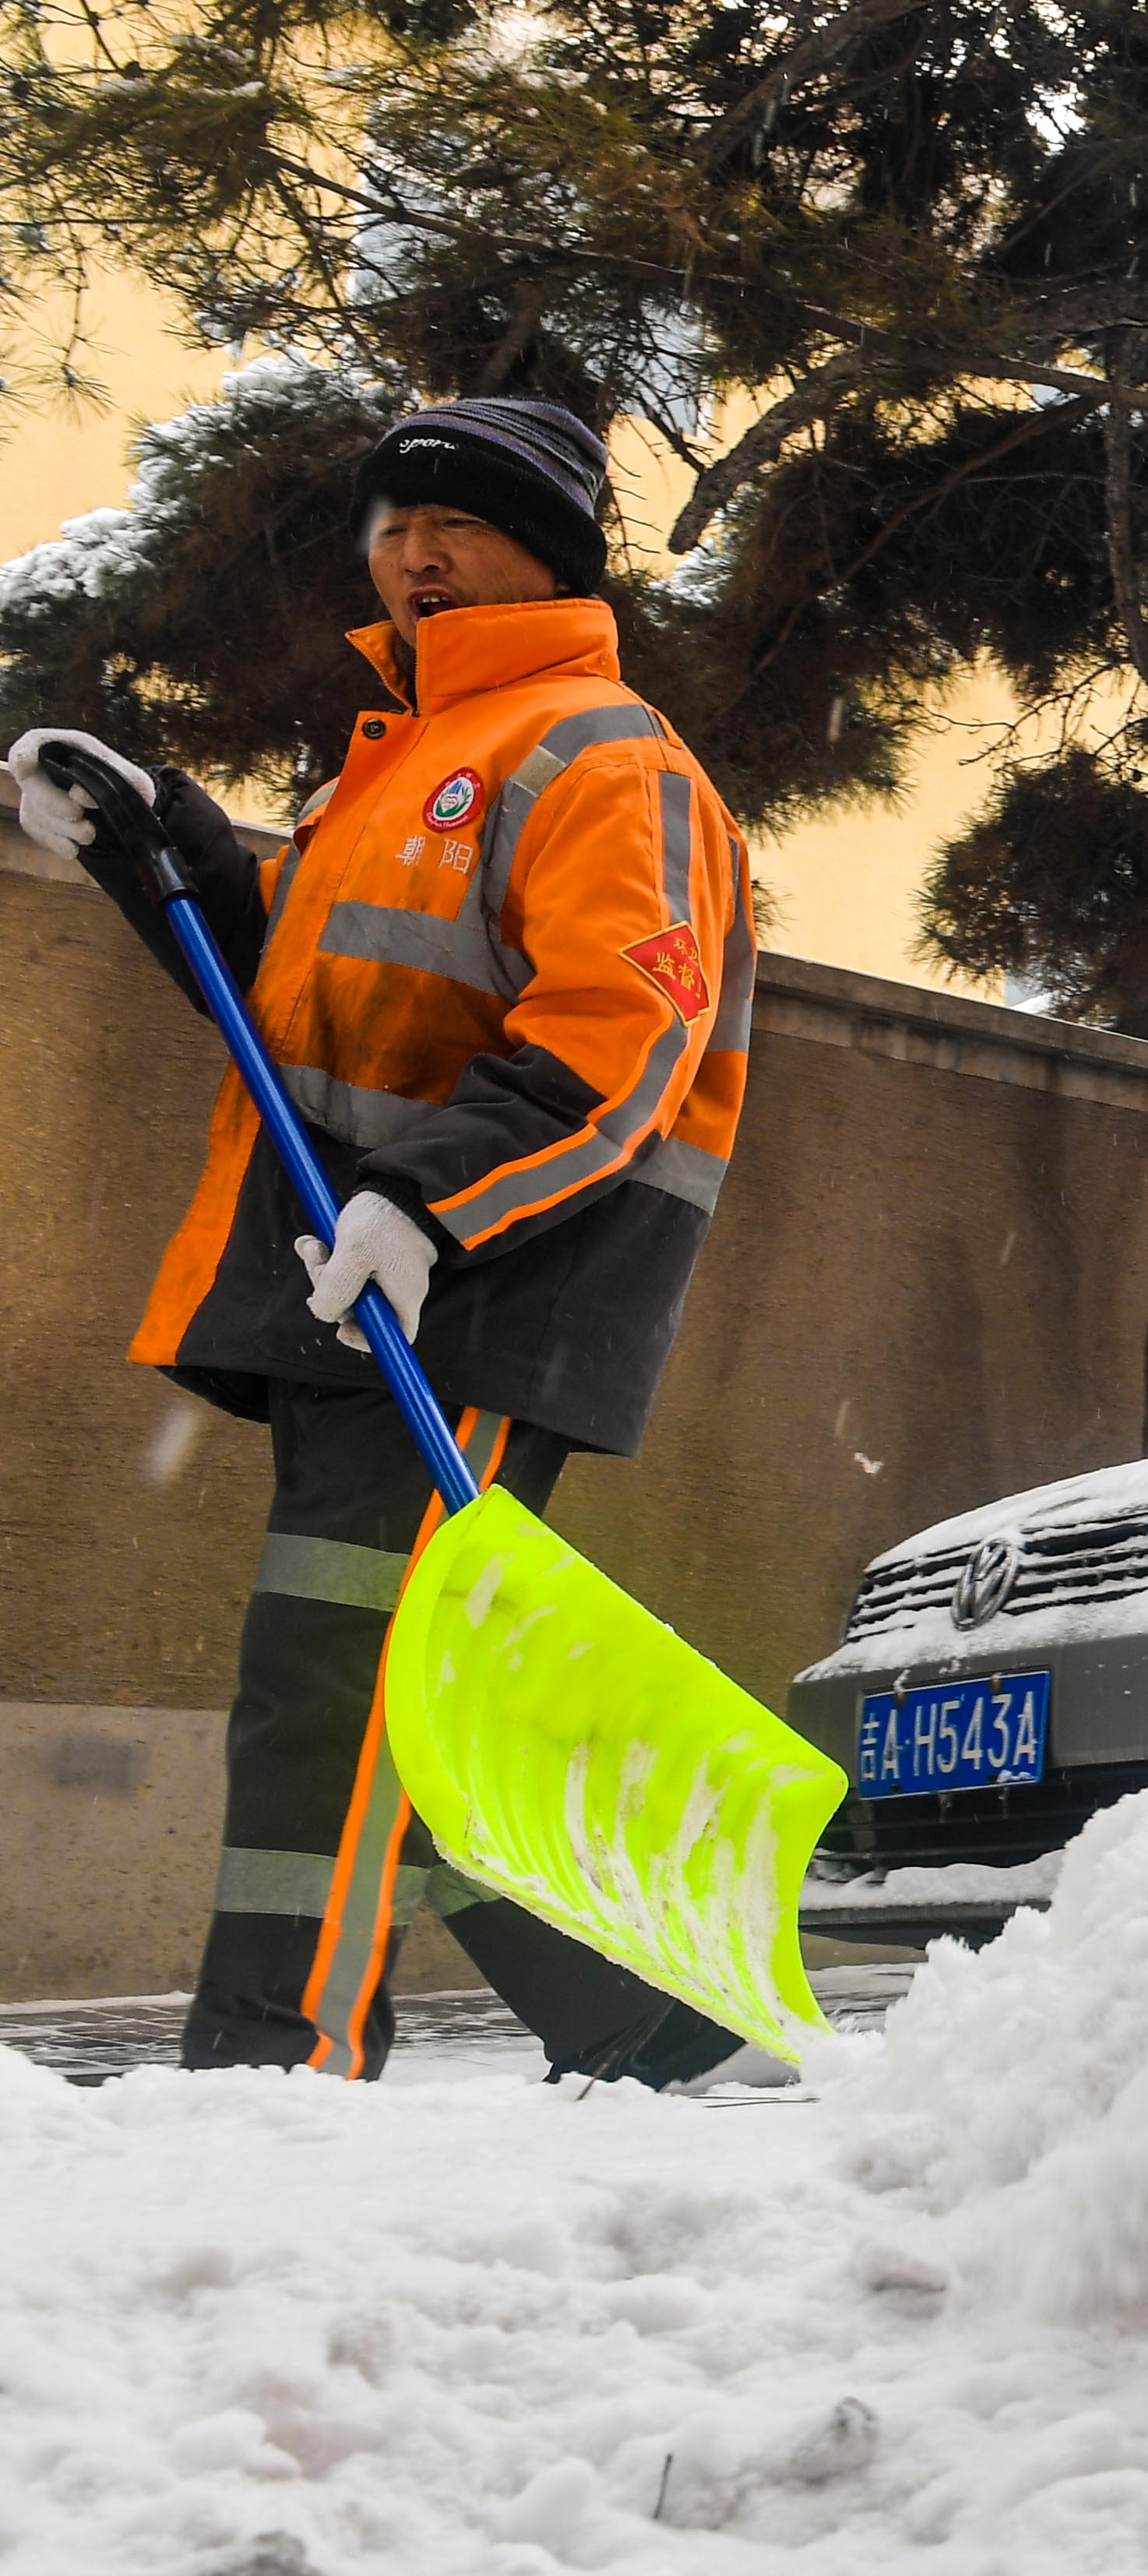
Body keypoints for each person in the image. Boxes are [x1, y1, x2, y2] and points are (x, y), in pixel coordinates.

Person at [7, 396, 759, 2084]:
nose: (412, 555)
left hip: (482, 1292)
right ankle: (654, 2026)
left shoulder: (600, 754)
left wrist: (430, 1205)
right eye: (391, 528)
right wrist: (162, 845)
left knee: (330, 1682)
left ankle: (275, 2068)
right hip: (366, 1290)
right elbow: (291, 995)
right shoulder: (405, 760)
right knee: (396, 1705)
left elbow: (618, 1039)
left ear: (547, 553)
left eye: (459, 526)